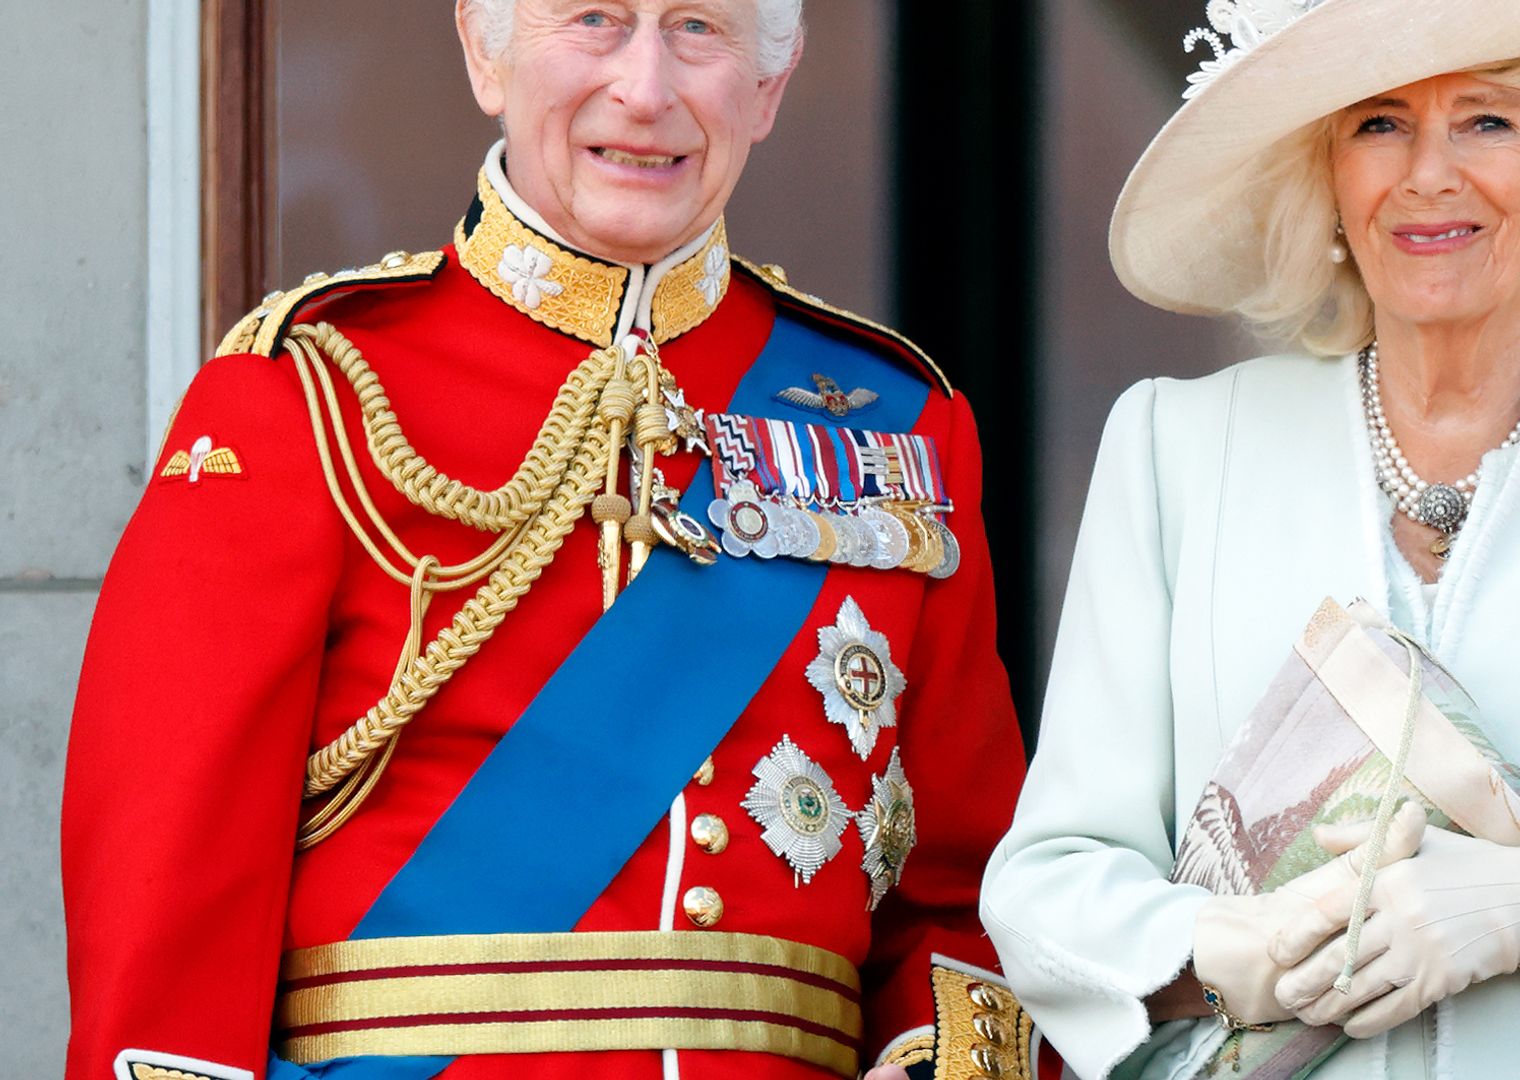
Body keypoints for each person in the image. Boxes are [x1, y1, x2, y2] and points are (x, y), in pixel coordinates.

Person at [63, 3, 1042, 1079]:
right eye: (595, 20)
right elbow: (167, 937)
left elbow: (970, 905)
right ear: (486, 53)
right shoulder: (307, 399)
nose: (644, 88)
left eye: (698, 30)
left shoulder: (893, 426)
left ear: (770, 83)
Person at [981, 0, 1520, 1077]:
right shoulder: (1176, 445)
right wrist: (1230, 955)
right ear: (1326, 179)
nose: (1428, 174)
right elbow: (1049, 886)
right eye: (1378, 123)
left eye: (1488, 121)